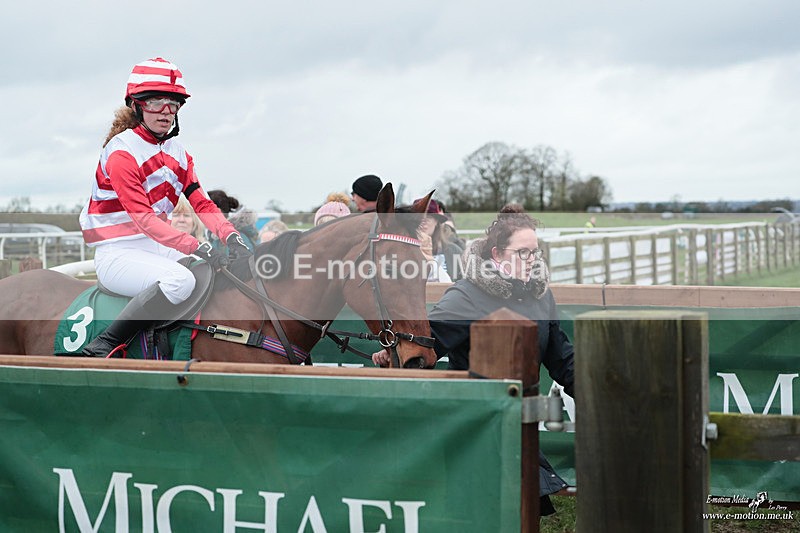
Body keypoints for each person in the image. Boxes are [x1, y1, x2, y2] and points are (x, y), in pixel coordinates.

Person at [373, 203, 574, 517]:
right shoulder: (466, 296)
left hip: (519, 428)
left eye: (535, 253)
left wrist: (604, 391)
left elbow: (562, 360)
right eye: (522, 253)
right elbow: (424, 349)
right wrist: (390, 356)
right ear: (496, 255)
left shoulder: (541, 297)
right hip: (475, 431)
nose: (531, 261)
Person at [78, 57, 252, 357]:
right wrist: (195, 244)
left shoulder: (178, 152)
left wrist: (230, 235)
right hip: (117, 253)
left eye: (173, 104)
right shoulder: (121, 152)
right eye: (156, 102)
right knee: (179, 280)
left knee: (213, 272)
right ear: (137, 105)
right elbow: (145, 220)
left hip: (155, 246)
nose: (166, 112)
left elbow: (201, 202)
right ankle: (106, 343)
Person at [415, 198, 464, 281]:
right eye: (418, 218)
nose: (422, 222)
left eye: (428, 217)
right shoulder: (403, 250)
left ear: (437, 222)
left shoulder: (454, 251)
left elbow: (462, 282)